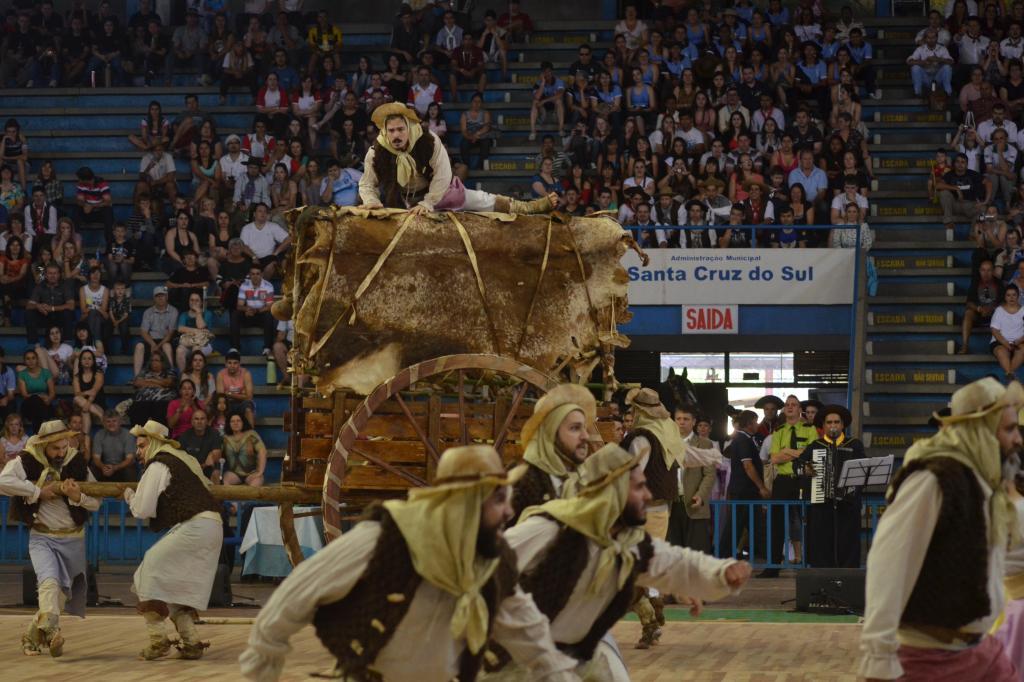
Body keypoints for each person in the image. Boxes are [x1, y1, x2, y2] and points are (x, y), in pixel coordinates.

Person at [239, 444, 579, 681]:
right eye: (500, 499)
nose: (509, 511)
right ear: (466, 501)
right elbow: (285, 606)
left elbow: (532, 637)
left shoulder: (491, 561)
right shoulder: (384, 541)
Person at [489, 443, 752, 680]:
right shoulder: (550, 530)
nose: (648, 495)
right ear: (611, 492)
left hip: (571, 656)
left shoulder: (626, 544)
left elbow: (674, 563)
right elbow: (483, 567)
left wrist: (721, 573)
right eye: (638, 487)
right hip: (513, 662)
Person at [859, 378, 1024, 682]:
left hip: (980, 649)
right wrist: (879, 657)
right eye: (1009, 429)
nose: (1018, 440)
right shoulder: (933, 479)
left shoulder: (984, 481)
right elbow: (889, 566)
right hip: (927, 658)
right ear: (981, 429)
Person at [125, 420, 223, 661]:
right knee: (174, 585)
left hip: (196, 525)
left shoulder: (158, 464)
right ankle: (190, 642)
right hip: (210, 525)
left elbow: (142, 508)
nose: (138, 451)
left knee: (148, 571)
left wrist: (129, 495)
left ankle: (158, 641)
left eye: (141, 445)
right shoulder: (181, 460)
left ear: (154, 442)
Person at [0, 420, 99, 657]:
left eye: (64, 447)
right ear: (44, 445)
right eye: (55, 449)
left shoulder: (76, 462)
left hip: (74, 539)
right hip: (42, 537)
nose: (61, 453)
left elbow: (96, 502)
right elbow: (3, 482)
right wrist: (37, 492)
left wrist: (78, 497)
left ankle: (31, 638)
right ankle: (54, 634)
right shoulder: (27, 460)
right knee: (49, 584)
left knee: (60, 598)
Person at [359, 103, 557, 215]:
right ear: (385, 131)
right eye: (391, 130)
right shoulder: (377, 151)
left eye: (400, 129)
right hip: (401, 201)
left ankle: (528, 207)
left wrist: (427, 204)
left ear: (409, 128)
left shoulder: (429, 140)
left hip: (438, 193)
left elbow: (443, 176)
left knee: (481, 200)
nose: (396, 135)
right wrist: (371, 201)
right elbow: (367, 183)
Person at [620, 387, 687, 648]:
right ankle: (655, 611)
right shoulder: (667, 431)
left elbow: (631, 475)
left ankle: (650, 622)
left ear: (639, 411)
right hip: (661, 511)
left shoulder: (641, 438)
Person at [510, 383, 596, 523]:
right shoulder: (523, 482)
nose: (585, 436)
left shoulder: (584, 477)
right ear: (551, 433)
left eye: (584, 428)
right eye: (575, 428)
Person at [795, 404, 865, 568]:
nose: (833, 426)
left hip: (848, 505)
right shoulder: (816, 446)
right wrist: (804, 469)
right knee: (822, 543)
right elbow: (797, 465)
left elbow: (863, 470)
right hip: (822, 505)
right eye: (829, 422)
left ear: (842, 425)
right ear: (824, 425)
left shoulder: (854, 445)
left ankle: (847, 579)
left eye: (836, 422)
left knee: (848, 542)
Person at [759, 394, 820, 577]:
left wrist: (788, 451)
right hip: (783, 480)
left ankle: (811, 562)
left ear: (799, 409)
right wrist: (799, 453)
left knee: (809, 520)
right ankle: (773, 566)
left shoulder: (810, 429)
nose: (790, 407)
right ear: (784, 410)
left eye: (794, 404)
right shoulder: (779, 431)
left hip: (804, 478)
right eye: (787, 405)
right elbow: (775, 458)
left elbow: (811, 454)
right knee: (776, 523)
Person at [667, 405, 717, 554]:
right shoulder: (664, 443)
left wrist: (701, 495)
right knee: (672, 554)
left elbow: (709, 474)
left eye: (686, 419)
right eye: (678, 419)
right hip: (670, 503)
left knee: (697, 553)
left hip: (695, 504)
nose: (682, 422)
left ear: (693, 422)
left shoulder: (705, 444)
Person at [26, 263, 73, 347]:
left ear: (59, 275)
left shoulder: (65, 286)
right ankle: (34, 344)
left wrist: (52, 308)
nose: (52, 276)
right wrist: (38, 306)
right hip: (45, 316)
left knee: (68, 313)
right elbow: (29, 305)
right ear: (46, 275)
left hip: (59, 316)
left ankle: (67, 344)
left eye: (55, 273)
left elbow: (71, 305)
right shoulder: (40, 286)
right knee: (30, 313)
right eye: (50, 273)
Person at [962, 259, 1003, 355]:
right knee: (968, 313)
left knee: (1003, 313)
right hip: (979, 314)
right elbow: (968, 302)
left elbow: (1003, 303)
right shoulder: (975, 283)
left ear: (993, 271)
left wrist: (992, 309)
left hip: (994, 316)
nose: (986, 273)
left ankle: (1002, 346)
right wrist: (979, 309)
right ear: (979, 271)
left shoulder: (999, 284)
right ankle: (965, 346)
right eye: (983, 270)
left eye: (989, 270)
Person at [91, 410, 137, 482]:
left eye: (114, 421)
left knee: (130, 469)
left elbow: (129, 459)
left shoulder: (128, 435)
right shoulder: (99, 435)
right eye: (108, 421)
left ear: (120, 422)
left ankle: (132, 492)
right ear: (104, 423)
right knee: (93, 468)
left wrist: (115, 468)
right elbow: (96, 458)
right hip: (104, 467)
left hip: (122, 467)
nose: (111, 424)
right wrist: (103, 467)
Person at [991, 285, 1024, 381]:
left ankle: (1009, 375)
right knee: (1001, 352)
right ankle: (1012, 377)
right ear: (1005, 297)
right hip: (1000, 342)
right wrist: (1005, 343)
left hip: (1020, 342)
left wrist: (1018, 341)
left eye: (1014, 295)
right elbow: (994, 330)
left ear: (1018, 296)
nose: (1011, 298)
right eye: (1008, 295)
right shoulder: (999, 310)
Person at [17, 348, 55, 430]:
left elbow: (52, 393)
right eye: (28, 359)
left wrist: (48, 399)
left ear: (37, 359)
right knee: (35, 399)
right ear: (24, 361)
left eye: (33, 358)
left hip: (44, 403)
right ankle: (39, 432)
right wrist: (39, 396)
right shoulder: (22, 374)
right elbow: (24, 395)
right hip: (28, 404)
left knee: (39, 407)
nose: (31, 361)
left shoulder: (46, 373)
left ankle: (37, 433)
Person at [178, 408, 222, 478]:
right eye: (196, 419)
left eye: (202, 419)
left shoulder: (214, 433)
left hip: (208, 468)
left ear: (207, 421)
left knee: (216, 473)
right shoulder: (184, 436)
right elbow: (180, 457)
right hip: (191, 468)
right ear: (192, 422)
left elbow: (217, 456)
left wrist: (211, 455)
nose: (199, 421)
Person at [217, 349, 256, 425]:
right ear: (225, 364)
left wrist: (230, 394)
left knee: (248, 407)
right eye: (229, 363)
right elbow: (221, 396)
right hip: (227, 404)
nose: (232, 366)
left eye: (235, 363)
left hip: (242, 403)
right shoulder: (220, 374)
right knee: (221, 405)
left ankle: (251, 434)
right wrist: (242, 395)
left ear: (239, 364)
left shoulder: (246, 374)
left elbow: (249, 397)